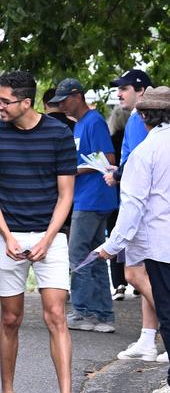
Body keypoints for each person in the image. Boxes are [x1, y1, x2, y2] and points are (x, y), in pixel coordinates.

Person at [0, 71, 78, 393]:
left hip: (50, 235)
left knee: (56, 316)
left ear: (26, 102)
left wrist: (49, 238)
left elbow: (66, 193)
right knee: (11, 317)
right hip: (9, 235)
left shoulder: (59, 133)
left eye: (4, 101)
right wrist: (6, 235)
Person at [98, 86, 170, 393]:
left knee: (167, 310)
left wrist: (112, 245)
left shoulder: (145, 152)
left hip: (159, 241)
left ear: (142, 116)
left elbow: (133, 206)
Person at [52, 78, 119, 332]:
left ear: (77, 96)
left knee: (77, 255)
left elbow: (109, 160)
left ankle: (83, 312)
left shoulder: (94, 121)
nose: (62, 107)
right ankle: (103, 316)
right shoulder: (80, 124)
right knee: (95, 256)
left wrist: (73, 170)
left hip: (93, 198)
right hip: (87, 197)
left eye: (65, 101)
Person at [105, 106, 130, 301]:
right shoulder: (135, 138)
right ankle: (138, 281)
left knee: (114, 235)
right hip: (130, 194)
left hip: (113, 195)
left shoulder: (112, 141)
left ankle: (119, 283)